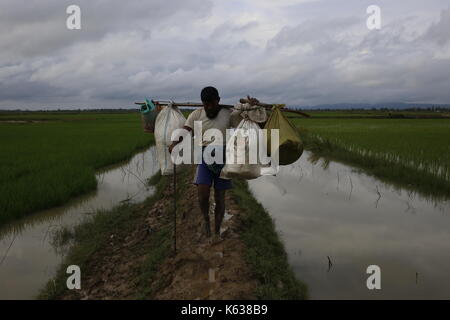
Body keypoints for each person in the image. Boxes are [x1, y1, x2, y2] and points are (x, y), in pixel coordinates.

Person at [169, 87, 257, 241]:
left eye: (212, 103)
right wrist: (174, 143)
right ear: (202, 103)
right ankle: (205, 220)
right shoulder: (196, 114)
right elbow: (185, 130)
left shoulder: (229, 114)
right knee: (202, 194)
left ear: (218, 100)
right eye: (206, 104)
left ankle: (216, 230)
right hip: (205, 158)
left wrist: (252, 108)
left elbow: (246, 123)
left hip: (224, 159)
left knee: (220, 197)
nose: (209, 107)